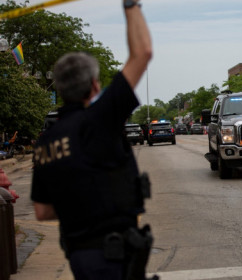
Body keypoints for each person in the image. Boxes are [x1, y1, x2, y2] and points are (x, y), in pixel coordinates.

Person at [30, 1, 153, 279]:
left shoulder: (46, 142)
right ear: (95, 85)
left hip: (79, 255)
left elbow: (42, 210)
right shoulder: (101, 118)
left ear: (59, 89)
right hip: (113, 254)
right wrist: (131, 5)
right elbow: (142, 53)